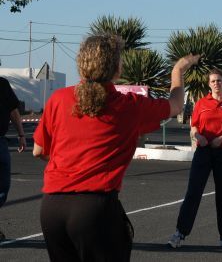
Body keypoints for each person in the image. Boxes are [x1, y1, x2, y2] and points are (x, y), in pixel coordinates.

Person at [32, 34, 199, 261]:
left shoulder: (58, 98)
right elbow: (176, 104)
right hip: (94, 210)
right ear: (116, 69)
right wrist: (178, 70)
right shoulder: (129, 105)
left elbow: (39, 150)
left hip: (52, 208)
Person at [168, 68, 222, 250]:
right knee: (193, 192)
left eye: (219, 80)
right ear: (208, 84)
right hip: (203, 152)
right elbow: (193, 127)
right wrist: (197, 136)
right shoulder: (202, 103)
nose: (216, 84)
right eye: (212, 81)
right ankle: (180, 233)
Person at [0, 77, 26, 240]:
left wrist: (21, 134)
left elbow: (13, 111)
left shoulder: (2, 84)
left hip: (0, 141)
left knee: (3, 185)